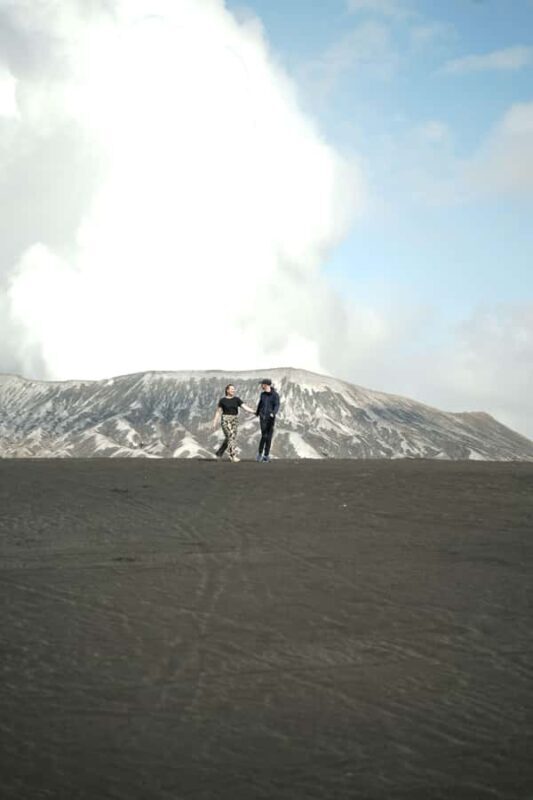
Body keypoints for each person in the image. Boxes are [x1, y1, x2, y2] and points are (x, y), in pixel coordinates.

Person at [212, 384, 256, 462]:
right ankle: (232, 456)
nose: (233, 390)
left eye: (234, 389)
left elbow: (245, 407)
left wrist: (254, 412)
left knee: (230, 438)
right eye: (232, 389)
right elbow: (218, 412)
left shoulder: (237, 399)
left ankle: (219, 453)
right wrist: (215, 422)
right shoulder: (222, 400)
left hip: (234, 420)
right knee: (230, 436)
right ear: (227, 390)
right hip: (225, 419)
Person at [255, 378, 280, 462]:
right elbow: (260, 403)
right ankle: (259, 454)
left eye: (262, 384)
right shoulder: (262, 394)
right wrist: (257, 412)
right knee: (264, 435)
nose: (261, 385)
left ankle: (266, 455)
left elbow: (277, 405)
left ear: (266, 385)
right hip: (263, 417)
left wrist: (273, 413)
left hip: (271, 418)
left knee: (269, 437)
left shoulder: (275, 395)